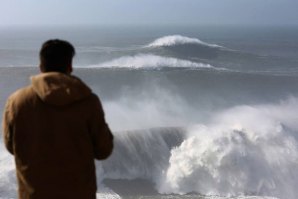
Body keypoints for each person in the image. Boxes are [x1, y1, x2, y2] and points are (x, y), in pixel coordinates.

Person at [2, 39, 114, 199]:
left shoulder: (17, 101)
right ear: (70, 67)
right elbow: (104, 150)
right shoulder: (88, 101)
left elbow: (11, 146)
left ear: (41, 66)